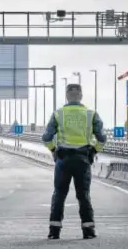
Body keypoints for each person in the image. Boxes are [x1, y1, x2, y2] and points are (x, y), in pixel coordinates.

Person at [42, 83, 107, 240]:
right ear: (81, 96)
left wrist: (53, 151)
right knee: (83, 195)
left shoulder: (58, 114)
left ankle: (54, 231)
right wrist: (93, 151)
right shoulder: (91, 114)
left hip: (63, 159)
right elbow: (102, 138)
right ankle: (89, 231)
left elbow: (46, 138)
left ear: (66, 96)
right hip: (83, 159)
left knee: (59, 194)